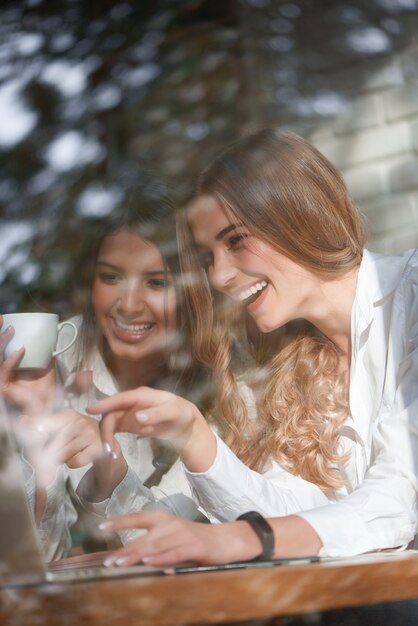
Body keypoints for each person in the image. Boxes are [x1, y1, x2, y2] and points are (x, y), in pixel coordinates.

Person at [85, 129, 418, 568]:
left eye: (236, 240)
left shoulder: (411, 293)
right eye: (209, 258)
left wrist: (239, 539)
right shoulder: (295, 364)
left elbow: (399, 494)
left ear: (299, 215)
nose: (220, 276)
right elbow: (297, 517)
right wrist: (194, 437)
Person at [0, 177, 211, 561]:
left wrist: (109, 470)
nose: (128, 305)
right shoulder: (50, 363)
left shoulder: (223, 389)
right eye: (111, 277)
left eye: (157, 282)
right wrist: (25, 431)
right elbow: (34, 560)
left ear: (190, 292)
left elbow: (175, 545)